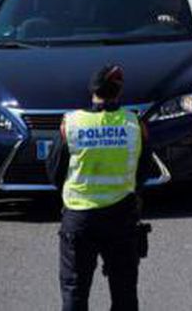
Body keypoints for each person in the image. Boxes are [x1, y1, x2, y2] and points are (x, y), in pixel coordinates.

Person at [48, 64, 149, 311]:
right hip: (121, 218)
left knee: (75, 291)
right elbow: (143, 170)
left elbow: (54, 171)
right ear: (119, 91)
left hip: (79, 219)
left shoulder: (71, 124)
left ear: (92, 91)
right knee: (124, 292)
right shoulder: (133, 124)